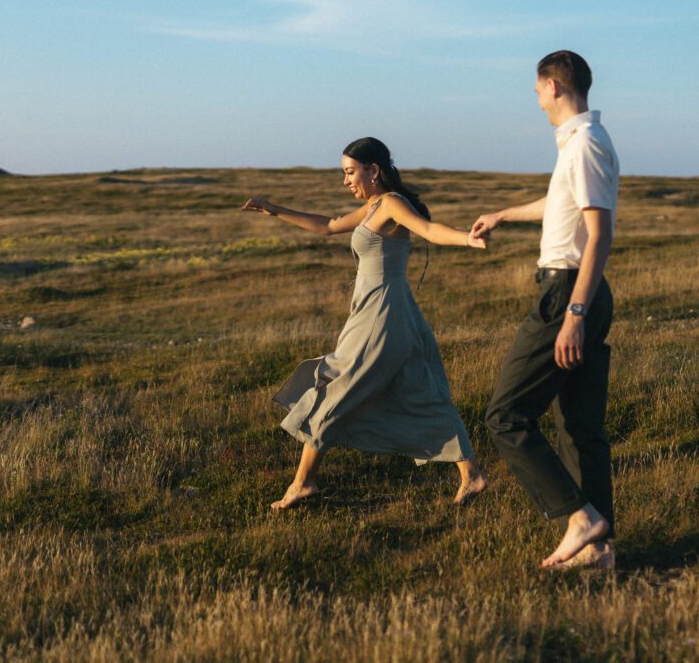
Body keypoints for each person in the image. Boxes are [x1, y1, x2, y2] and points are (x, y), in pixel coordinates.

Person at [241, 137, 489, 509]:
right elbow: (328, 225)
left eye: (350, 172)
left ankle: (302, 484)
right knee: (420, 389)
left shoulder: (391, 204)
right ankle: (472, 475)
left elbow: (429, 230)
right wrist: (275, 210)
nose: (346, 181)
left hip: (382, 316)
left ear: (374, 171)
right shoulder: (374, 206)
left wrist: (467, 240)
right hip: (383, 312)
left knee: (333, 390)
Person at [471, 51, 619, 569]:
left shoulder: (585, 147)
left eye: (537, 90)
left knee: (505, 415)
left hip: (567, 295)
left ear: (554, 86)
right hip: (576, 292)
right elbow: (563, 205)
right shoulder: (578, 146)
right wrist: (504, 214)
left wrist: (574, 314)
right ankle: (598, 552)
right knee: (580, 427)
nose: (535, 100)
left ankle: (579, 518)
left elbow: (599, 236)